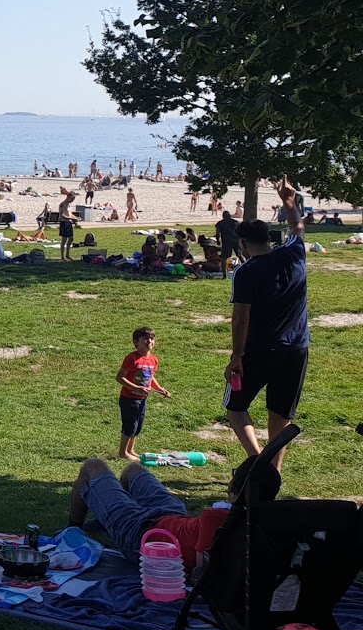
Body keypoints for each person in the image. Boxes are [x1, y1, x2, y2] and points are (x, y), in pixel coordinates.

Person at [68, 454, 280, 571]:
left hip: (141, 536)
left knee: (93, 466)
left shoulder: (215, 518)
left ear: (233, 486)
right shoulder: (267, 522)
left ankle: (71, 530)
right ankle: (108, 519)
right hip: (173, 517)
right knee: (133, 470)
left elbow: (200, 575)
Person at [226, 178, 308, 470]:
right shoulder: (294, 255)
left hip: (260, 350)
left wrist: (236, 356)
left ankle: (256, 460)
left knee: (235, 407)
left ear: (244, 244)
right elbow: (298, 229)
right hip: (297, 349)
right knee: (280, 414)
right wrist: (289, 202)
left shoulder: (246, 272)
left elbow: (241, 317)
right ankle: (273, 470)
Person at [117, 327, 172, 461]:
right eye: (145, 339)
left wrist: (160, 389)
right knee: (130, 425)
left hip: (142, 398)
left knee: (138, 425)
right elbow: (120, 377)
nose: (149, 341)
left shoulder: (153, 360)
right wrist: (136, 387)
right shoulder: (132, 358)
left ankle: (131, 450)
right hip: (129, 398)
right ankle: (123, 452)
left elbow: (151, 377)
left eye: (152, 339)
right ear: (136, 342)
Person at [58, 187, 78, 261]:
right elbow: (62, 215)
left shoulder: (69, 205)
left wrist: (76, 217)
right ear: (68, 197)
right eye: (72, 199)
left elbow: (70, 214)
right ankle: (62, 256)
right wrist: (72, 218)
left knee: (71, 239)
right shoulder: (62, 204)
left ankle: (67, 255)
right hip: (64, 223)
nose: (72, 201)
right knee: (64, 240)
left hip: (69, 223)